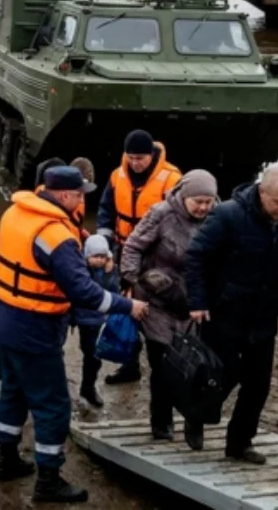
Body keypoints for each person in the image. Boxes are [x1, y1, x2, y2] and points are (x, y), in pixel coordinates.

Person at [0, 167, 145, 502]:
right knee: (53, 404)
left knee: (13, 392)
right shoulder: (56, 236)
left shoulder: (14, 213)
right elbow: (85, 292)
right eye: (79, 194)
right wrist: (126, 306)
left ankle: (7, 459)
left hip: (4, 321)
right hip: (36, 331)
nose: (83, 198)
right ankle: (48, 481)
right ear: (62, 196)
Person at [185, 164, 278, 461]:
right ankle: (195, 415)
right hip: (224, 312)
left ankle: (240, 443)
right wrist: (197, 302)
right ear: (262, 192)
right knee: (222, 375)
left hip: (264, 314)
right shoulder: (229, 215)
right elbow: (196, 256)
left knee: (258, 383)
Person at [119, 170, 217, 438]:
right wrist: (132, 277)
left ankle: (191, 419)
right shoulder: (161, 214)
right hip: (157, 302)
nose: (203, 207)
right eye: (198, 201)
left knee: (194, 365)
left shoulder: (216, 219)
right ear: (184, 196)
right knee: (162, 365)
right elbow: (133, 247)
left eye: (208, 202)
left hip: (193, 305)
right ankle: (161, 423)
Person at [97, 129, 181, 384]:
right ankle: (130, 364)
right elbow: (106, 212)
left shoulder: (172, 179)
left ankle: (167, 363)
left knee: (159, 310)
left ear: (151, 156)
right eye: (131, 158)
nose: (135, 163)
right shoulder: (116, 176)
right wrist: (107, 246)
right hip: (125, 251)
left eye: (140, 158)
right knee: (126, 308)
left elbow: (179, 220)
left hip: (157, 256)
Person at [72, 235, 118, 410]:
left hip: (102, 320)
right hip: (87, 320)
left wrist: (110, 273)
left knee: (95, 358)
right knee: (90, 354)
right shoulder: (81, 271)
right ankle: (87, 388)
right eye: (95, 256)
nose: (99, 260)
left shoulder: (110, 270)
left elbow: (114, 290)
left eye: (102, 257)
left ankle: (88, 387)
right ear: (86, 256)